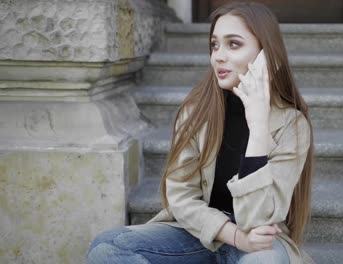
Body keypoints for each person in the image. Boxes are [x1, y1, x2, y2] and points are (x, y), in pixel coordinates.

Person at [87, 2, 314, 263]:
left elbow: (258, 222)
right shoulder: (197, 112)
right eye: (215, 45)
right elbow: (181, 196)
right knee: (107, 247)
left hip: (258, 244)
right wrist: (234, 235)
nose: (218, 55)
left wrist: (259, 128)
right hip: (198, 234)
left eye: (234, 44)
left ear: (267, 56)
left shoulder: (292, 125)